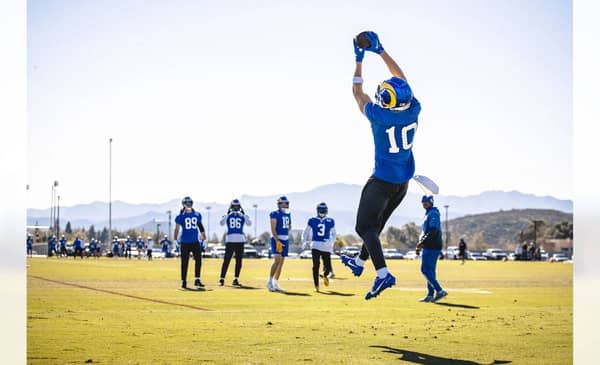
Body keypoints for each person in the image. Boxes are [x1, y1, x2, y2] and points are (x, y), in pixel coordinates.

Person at [341, 31, 421, 300]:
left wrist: (359, 60)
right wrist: (381, 51)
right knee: (375, 228)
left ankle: (383, 273)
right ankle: (360, 262)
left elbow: (357, 91)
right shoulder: (413, 109)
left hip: (382, 182)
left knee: (364, 228)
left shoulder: (379, 115)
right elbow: (402, 80)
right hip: (402, 183)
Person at [416, 196, 448, 303]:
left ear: (431, 202)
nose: (424, 203)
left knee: (425, 269)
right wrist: (421, 243)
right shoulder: (429, 213)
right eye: (423, 202)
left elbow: (433, 230)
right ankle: (430, 295)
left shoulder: (433, 213)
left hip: (432, 245)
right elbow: (426, 231)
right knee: (430, 271)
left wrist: (422, 242)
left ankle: (439, 290)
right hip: (429, 245)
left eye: (426, 202)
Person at [302, 202, 336, 292]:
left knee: (328, 267)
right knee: (315, 266)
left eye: (324, 210)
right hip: (316, 245)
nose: (323, 211)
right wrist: (304, 241)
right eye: (321, 210)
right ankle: (316, 286)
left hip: (326, 246)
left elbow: (334, 234)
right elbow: (306, 232)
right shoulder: (312, 220)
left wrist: (330, 241)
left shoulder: (330, 220)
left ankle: (325, 275)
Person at [173, 196, 206, 289]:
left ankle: (197, 279)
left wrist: (204, 237)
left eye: (189, 202)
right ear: (183, 203)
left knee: (198, 260)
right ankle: (183, 281)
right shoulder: (180, 216)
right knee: (184, 262)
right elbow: (177, 229)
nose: (188, 204)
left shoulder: (197, 214)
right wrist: (175, 240)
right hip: (184, 242)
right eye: (186, 202)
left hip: (195, 241)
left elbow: (200, 226)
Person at [219, 199, 252, 287]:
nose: (236, 207)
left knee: (239, 260)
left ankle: (236, 278)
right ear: (231, 206)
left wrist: (244, 214)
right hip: (230, 240)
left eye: (237, 206)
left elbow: (249, 223)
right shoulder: (228, 215)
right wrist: (228, 214)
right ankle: (222, 278)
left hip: (240, 240)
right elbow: (221, 223)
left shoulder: (242, 215)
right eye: (234, 206)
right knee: (227, 260)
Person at [267, 196, 292, 292]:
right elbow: (273, 229)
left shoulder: (288, 214)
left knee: (281, 263)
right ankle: (269, 282)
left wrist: (286, 233)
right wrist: (277, 240)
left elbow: (289, 226)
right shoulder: (274, 214)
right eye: (283, 203)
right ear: (279, 204)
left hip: (285, 239)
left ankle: (275, 283)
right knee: (277, 261)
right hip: (277, 239)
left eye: (286, 203)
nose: (285, 205)